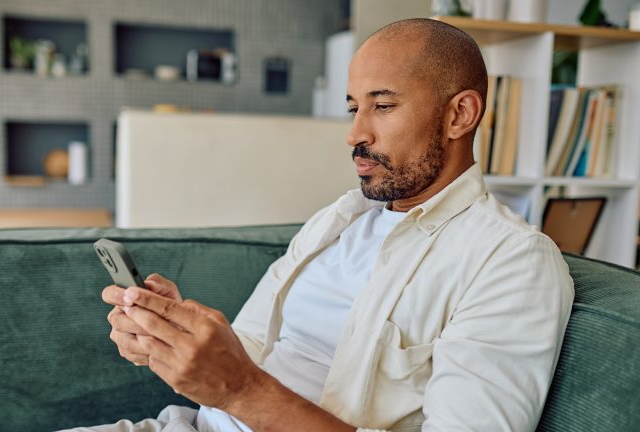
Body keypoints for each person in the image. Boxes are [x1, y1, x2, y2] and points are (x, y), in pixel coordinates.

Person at [64, 18, 574, 432]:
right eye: (354, 108)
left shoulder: (509, 260)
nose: (355, 132)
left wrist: (239, 390)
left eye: (383, 105)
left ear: (460, 115)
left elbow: (241, 385)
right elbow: (249, 355)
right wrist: (173, 339)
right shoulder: (338, 221)